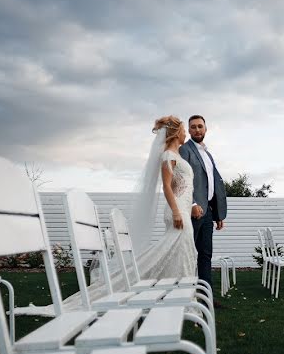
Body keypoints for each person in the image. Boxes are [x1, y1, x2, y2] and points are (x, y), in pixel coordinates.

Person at [15, 115, 197, 316]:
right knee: (178, 253)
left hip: (184, 209)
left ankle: (179, 297)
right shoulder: (169, 156)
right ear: (175, 132)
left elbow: (179, 186)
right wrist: (177, 211)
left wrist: (190, 207)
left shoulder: (175, 156)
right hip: (178, 211)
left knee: (180, 253)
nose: (185, 133)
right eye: (183, 129)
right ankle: (180, 299)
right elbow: (167, 187)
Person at [179, 114, 227, 290]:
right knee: (187, 255)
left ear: (206, 129)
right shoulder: (184, 150)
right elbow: (179, 180)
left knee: (206, 255)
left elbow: (211, 184)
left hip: (207, 214)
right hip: (192, 211)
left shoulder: (208, 154)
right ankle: (184, 294)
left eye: (200, 126)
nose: (197, 129)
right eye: (193, 127)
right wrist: (191, 204)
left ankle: (206, 297)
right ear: (189, 130)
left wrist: (217, 214)